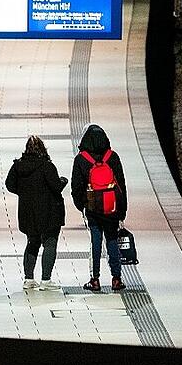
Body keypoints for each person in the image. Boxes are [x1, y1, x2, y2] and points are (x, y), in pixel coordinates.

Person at [5, 136, 68, 291]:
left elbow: (10, 185)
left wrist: (24, 191)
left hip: (28, 212)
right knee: (50, 243)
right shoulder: (47, 166)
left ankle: (29, 279)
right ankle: (46, 280)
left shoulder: (18, 166)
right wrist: (63, 181)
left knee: (32, 243)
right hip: (49, 211)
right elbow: (56, 187)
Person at [71, 124, 128, 292]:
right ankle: (116, 279)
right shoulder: (113, 157)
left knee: (95, 241)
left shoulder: (81, 159)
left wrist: (81, 205)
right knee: (112, 240)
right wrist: (122, 210)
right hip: (112, 208)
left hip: (92, 208)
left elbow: (76, 186)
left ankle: (94, 279)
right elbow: (121, 184)